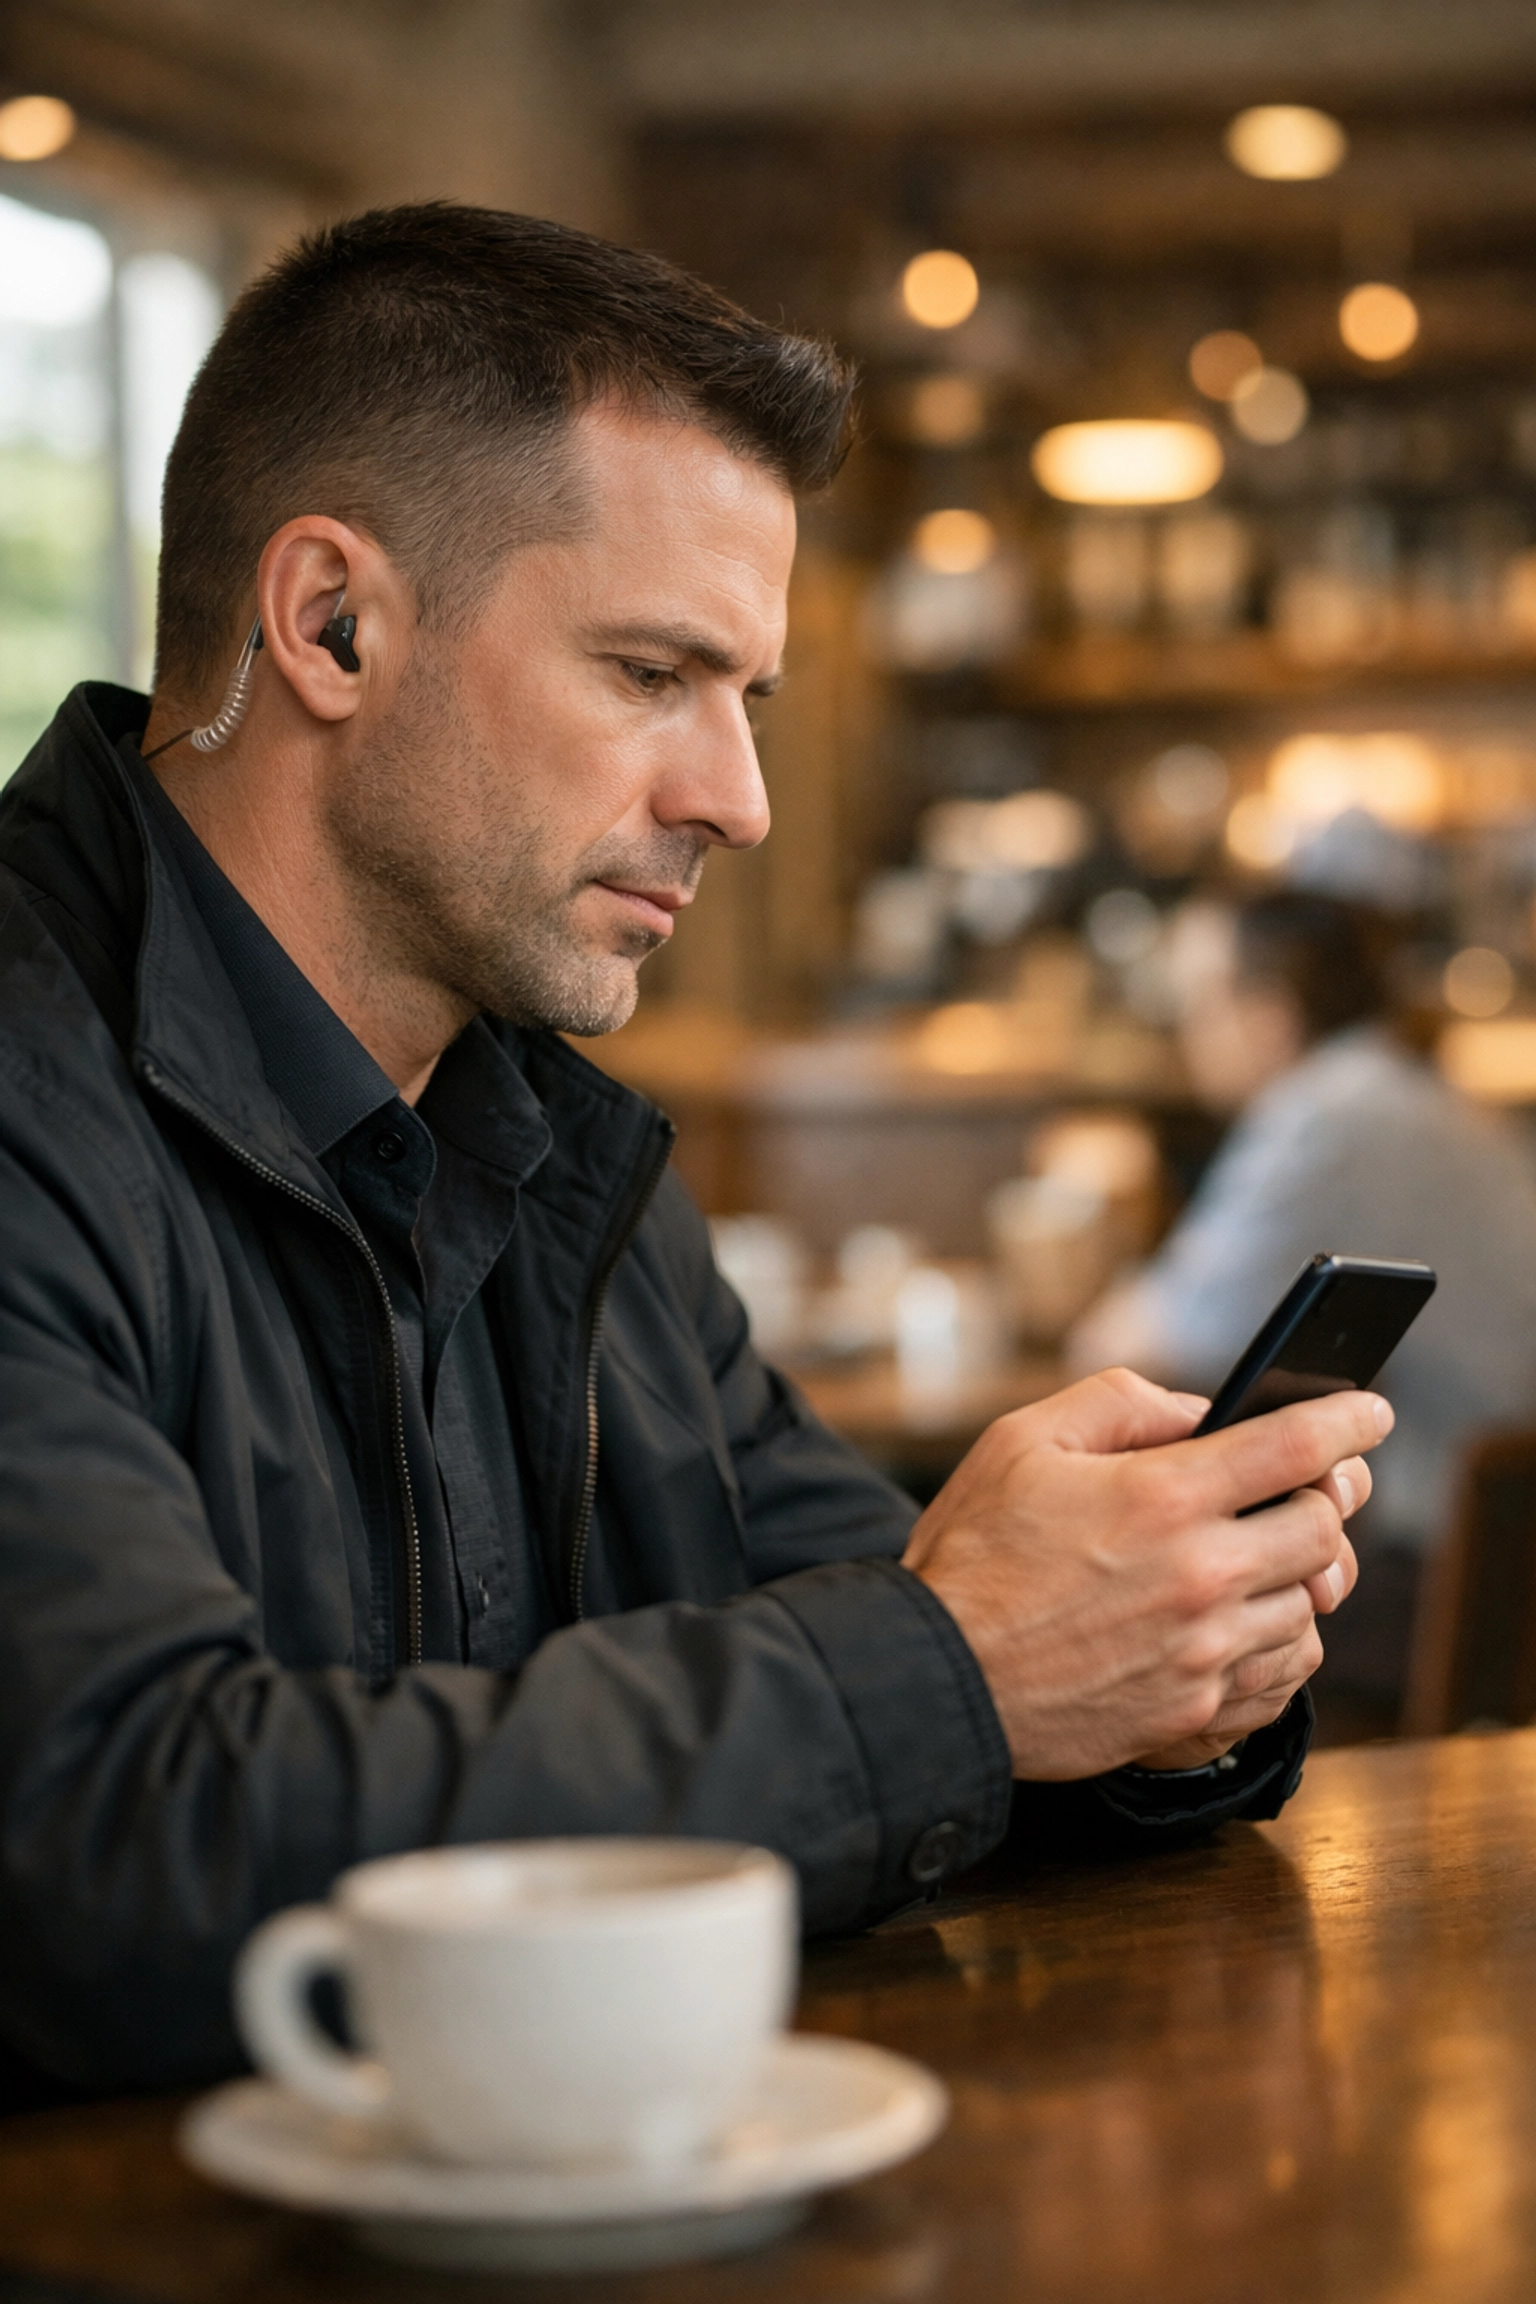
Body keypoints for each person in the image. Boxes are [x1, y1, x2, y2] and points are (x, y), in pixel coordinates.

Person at [0, 206, 1385, 2096]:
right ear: (331, 621)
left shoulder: (557, 1150)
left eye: (748, 698)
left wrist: (1142, 1668)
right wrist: (966, 1668)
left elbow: (877, 1660)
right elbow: (112, 1845)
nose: (732, 799)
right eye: (652, 674)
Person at [1072, 889, 1536, 1723]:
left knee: (1121, 1608)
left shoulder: (1331, 1114)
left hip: (1461, 1569)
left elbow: (1149, 1341)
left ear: (1269, 1013)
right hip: (1493, 1536)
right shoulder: (1399, 1091)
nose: (1186, 1033)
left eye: (1198, 1004)